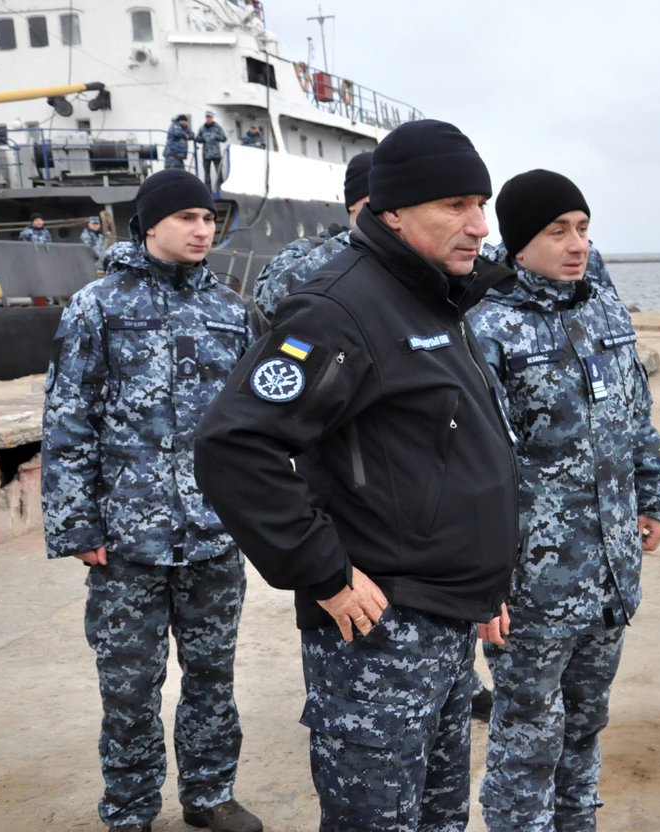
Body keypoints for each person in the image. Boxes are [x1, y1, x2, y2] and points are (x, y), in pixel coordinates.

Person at [194, 119, 519, 831]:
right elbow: (234, 445)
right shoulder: (338, 309)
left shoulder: (433, 296)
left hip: (444, 620)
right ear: (394, 211)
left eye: (482, 204)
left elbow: (443, 454)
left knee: (438, 819)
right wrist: (323, 570)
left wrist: (484, 584)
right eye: (456, 205)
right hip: (381, 635)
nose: (478, 225)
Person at [41, 169, 263, 832]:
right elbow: (68, 418)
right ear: (151, 224)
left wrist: (252, 513)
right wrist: (77, 523)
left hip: (212, 536)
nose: (203, 230)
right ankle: (131, 809)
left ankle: (210, 795)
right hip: (126, 542)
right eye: (190, 218)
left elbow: (252, 426)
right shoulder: (97, 306)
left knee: (212, 679)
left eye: (210, 219)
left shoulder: (230, 312)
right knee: (131, 690)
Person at [468, 170, 660, 831]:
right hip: (534, 582)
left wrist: (656, 494)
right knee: (528, 732)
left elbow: (636, 420)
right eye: (557, 231)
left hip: (611, 569)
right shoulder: (486, 329)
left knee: (586, 725)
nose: (576, 244)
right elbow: (479, 469)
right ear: (518, 243)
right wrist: (487, 581)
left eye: (583, 228)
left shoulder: (605, 312)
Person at [252, 151, 371, 317]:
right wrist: (353, 241)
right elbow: (269, 300)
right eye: (373, 202)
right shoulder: (308, 250)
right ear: (353, 204)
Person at [197, 111, 228, 193]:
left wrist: (215, 136)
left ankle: (220, 190)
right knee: (207, 174)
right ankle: (208, 192)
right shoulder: (202, 128)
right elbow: (198, 139)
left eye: (210, 117)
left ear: (212, 118)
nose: (208, 118)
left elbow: (224, 138)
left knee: (219, 173)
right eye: (207, 117)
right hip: (206, 155)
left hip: (216, 155)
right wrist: (202, 138)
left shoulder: (217, 127)